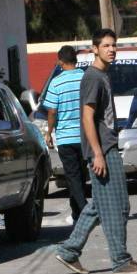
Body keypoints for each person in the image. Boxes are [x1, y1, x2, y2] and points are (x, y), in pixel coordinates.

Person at [53, 30, 137, 274]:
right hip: (103, 150)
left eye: (114, 45)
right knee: (118, 205)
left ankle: (69, 251)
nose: (111, 49)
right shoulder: (93, 78)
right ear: (94, 49)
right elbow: (87, 117)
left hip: (107, 146)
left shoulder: (102, 75)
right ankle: (120, 260)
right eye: (106, 45)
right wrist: (97, 153)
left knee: (100, 205)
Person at [43, 45, 88, 222]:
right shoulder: (85, 78)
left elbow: (52, 111)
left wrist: (49, 133)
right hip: (85, 135)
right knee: (81, 175)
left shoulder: (56, 82)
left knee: (72, 176)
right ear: (75, 60)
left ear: (60, 61)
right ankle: (77, 212)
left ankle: (84, 209)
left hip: (65, 137)